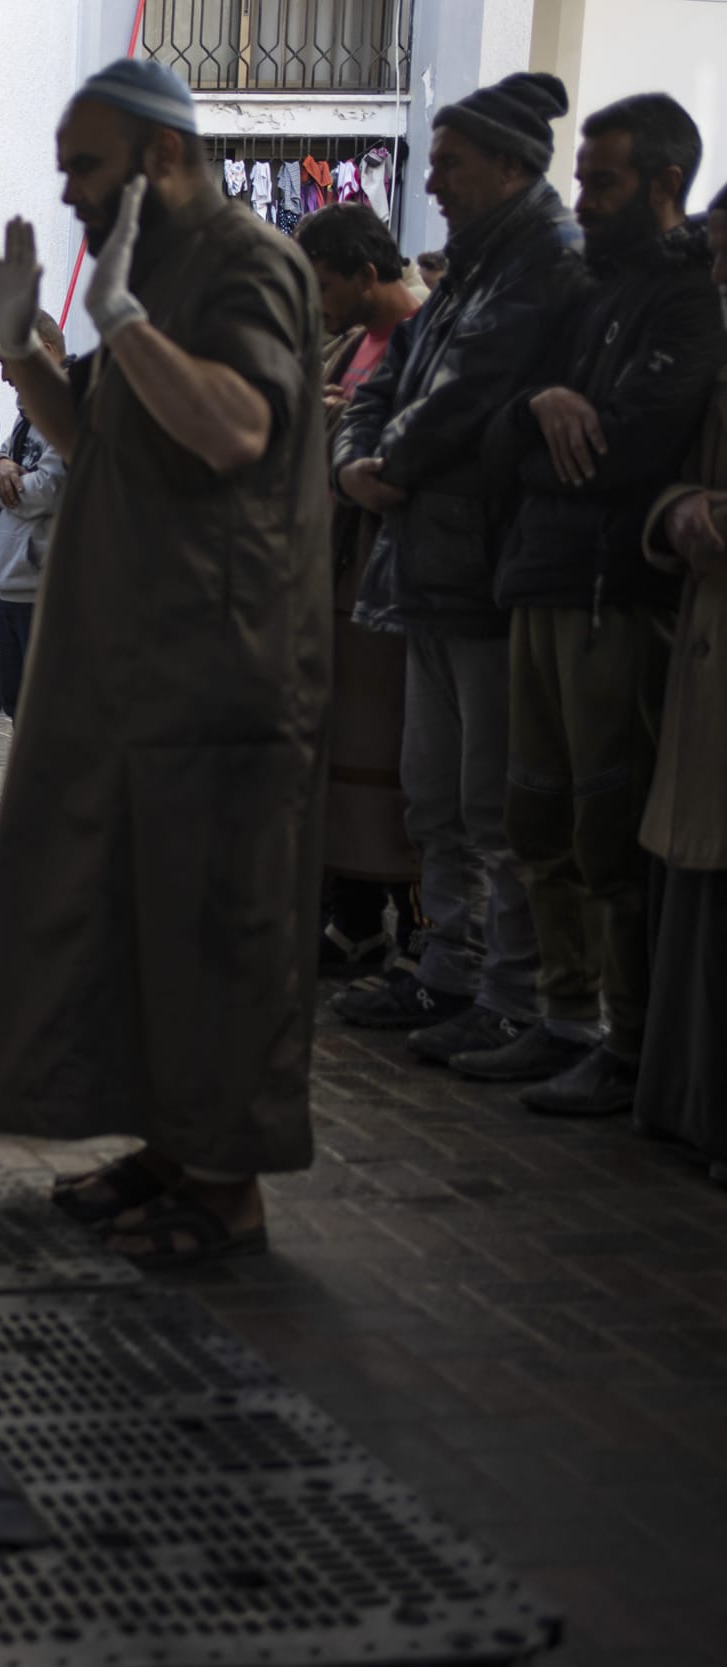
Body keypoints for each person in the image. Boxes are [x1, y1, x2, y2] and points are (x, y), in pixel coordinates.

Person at [0, 59, 331, 1265]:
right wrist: (25, 354)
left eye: (86, 167)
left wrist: (118, 324)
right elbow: (104, 444)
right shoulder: (153, 269)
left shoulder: (243, 263)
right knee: (137, 918)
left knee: (217, 926)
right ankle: (171, 1151)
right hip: (133, 664)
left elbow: (233, 427)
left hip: (217, 665)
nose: (67, 194)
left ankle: (227, 1192)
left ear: (161, 157)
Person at [333, 72, 586, 1064]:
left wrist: (381, 461)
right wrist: (360, 456)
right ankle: (449, 973)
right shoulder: (473, 268)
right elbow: (388, 377)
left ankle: (509, 991)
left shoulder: (541, 264)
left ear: (512, 166)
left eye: (449, 161)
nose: (429, 180)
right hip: (429, 565)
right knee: (432, 792)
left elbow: (468, 396)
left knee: (494, 805)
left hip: (483, 569)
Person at [479, 93, 725, 1113]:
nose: (580, 197)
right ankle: (560, 1014)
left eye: (601, 180)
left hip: (610, 597)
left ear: (665, 183)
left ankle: (621, 1040)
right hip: (541, 577)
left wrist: (546, 445)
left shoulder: (685, 301)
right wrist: (538, 410)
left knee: (602, 827)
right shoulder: (584, 289)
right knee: (531, 813)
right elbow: (495, 431)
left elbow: (625, 453)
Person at [296, 203, 425, 975]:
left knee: (400, 769)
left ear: (366, 275)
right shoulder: (348, 343)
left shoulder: (417, 337)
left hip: (389, 581)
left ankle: (412, 931)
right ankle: (354, 921)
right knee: (344, 760)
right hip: (340, 574)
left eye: (322, 287)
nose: (316, 305)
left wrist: (337, 429)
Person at [636, 185, 727, 1171]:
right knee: (692, 883)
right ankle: (684, 1099)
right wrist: (678, 511)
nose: (715, 275)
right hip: (705, 641)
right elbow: (674, 474)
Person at [0, 308, 69, 725]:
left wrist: (0, 480)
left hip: (46, 592)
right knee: (19, 710)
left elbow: (42, 493)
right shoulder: (31, 410)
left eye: (7, 360)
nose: (6, 375)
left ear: (44, 352)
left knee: (47, 716)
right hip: (12, 585)